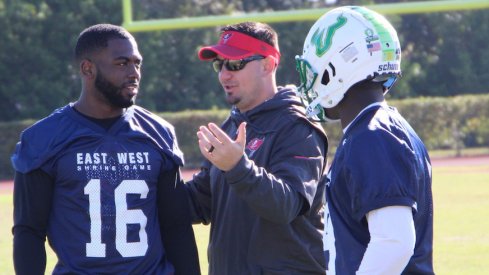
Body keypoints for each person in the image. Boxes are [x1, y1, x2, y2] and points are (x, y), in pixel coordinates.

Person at [11, 24, 200, 275]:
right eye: (122, 63)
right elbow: (29, 231)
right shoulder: (43, 139)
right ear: (87, 68)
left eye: (137, 63)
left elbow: (176, 226)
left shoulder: (158, 132)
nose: (134, 73)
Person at [295, 6, 434, 274]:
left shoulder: (373, 136)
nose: (310, 83)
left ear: (338, 67)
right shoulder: (377, 130)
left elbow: (394, 242)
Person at [185, 21, 329, 274]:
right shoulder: (231, 125)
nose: (224, 74)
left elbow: (287, 205)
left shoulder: (298, 126)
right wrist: (150, 180)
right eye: (219, 65)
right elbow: (200, 203)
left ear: (268, 64)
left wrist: (238, 168)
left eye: (235, 64)